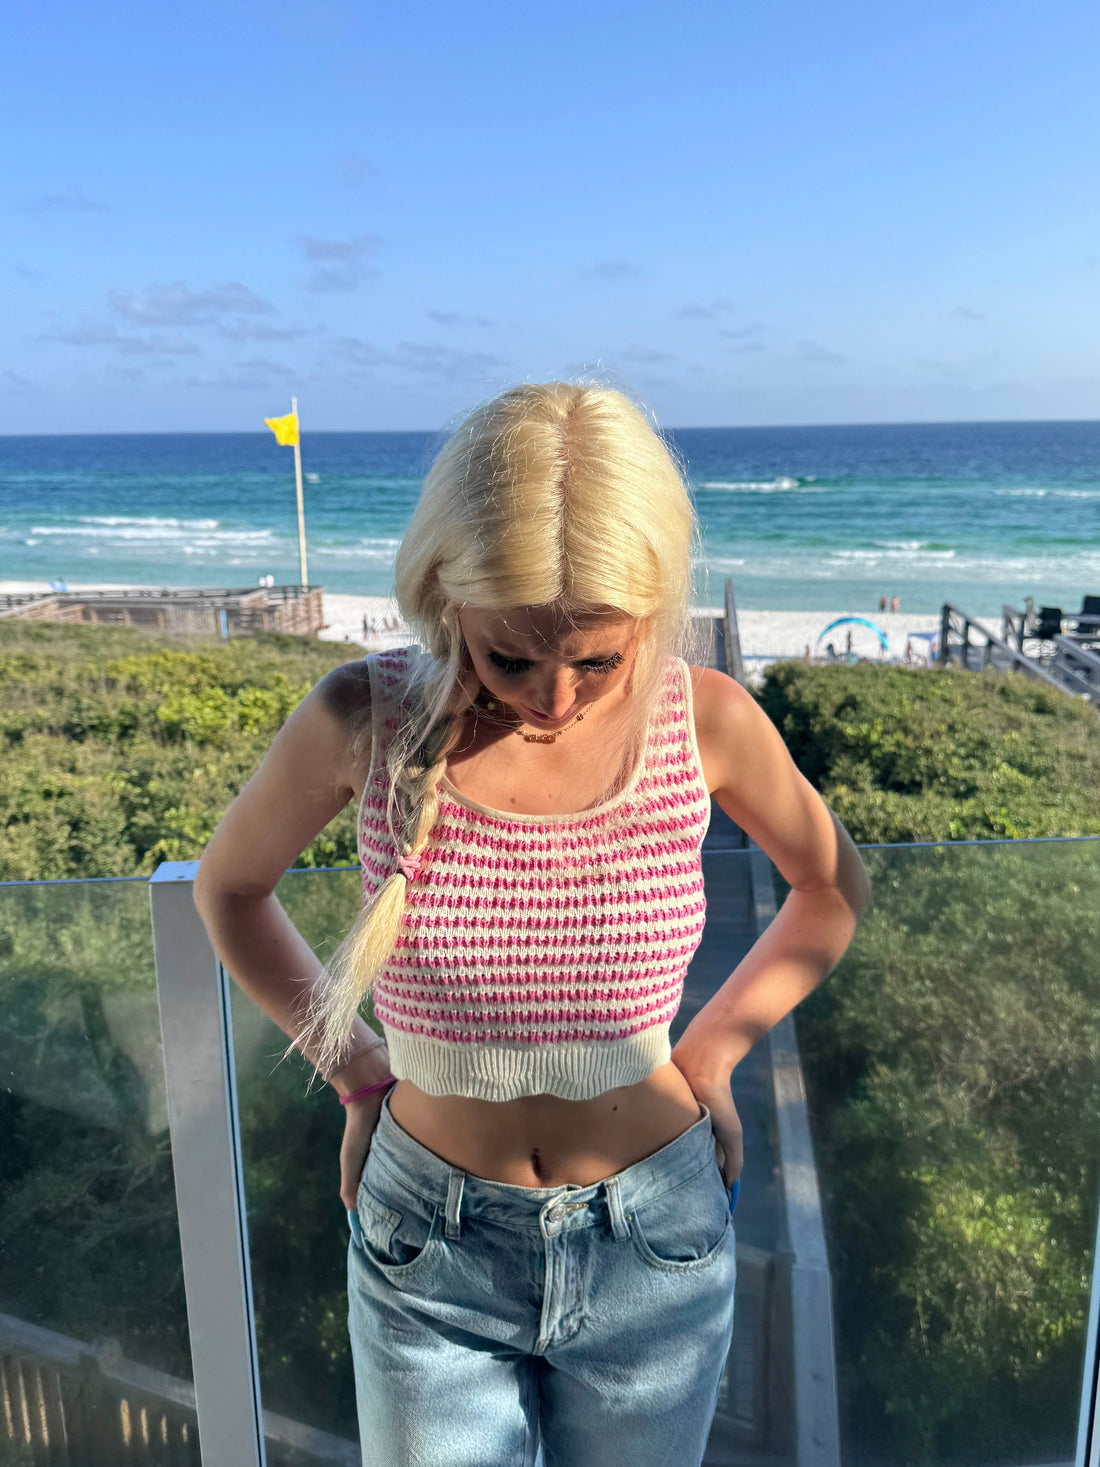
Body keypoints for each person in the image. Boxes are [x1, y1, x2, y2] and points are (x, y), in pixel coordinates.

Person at [193, 381, 870, 1467]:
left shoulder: (702, 720)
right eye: (509, 656)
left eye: (597, 660)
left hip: (657, 1238)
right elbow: (227, 889)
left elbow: (830, 889)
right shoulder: (359, 719)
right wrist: (358, 1071)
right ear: (440, 597)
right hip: (430, 1249)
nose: (554, 698)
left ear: (651, 615)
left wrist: (714, 1049)